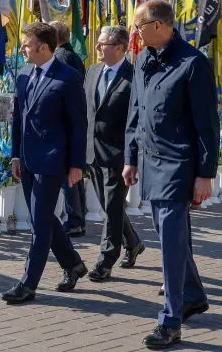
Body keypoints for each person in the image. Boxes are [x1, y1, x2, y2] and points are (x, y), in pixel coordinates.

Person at [124, 0, 219, 349]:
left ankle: (170, 320)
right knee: (172, 238)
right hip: (150, 163)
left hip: (179, 165)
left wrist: (205, 174)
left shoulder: (193, 63)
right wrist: (130, 158)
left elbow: (207, 125)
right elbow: (136, 112)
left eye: (139, 26)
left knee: (168, 243)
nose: (134, 32)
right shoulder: (144, 59)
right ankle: (192, 294)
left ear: (160, 25)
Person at [2, 22, 87, 304]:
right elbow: (18, 118)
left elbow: (78, 125)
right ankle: (73, 263)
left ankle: (28, 284)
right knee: (45, 217)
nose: (22, 47)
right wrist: (16, 154)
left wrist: (76, 165)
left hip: (53, 161)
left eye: (27, 43)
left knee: (38, 224)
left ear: (43, 47)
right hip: (27, 160)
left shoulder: (68, 77)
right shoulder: (25, 74)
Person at [83, 25, 144, 282]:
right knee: (111, 207)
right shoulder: (93, 71)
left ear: (119, 48)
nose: (97, 48)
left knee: (112, 206)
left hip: (119, 155)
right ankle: (133, 242)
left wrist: (132, 157)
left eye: (103, 44)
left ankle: (106, 259)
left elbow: (137, 119)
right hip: (91, 152)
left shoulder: (134, 77)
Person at [49, 20, 87, 237]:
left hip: (64, 123)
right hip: (71, 121)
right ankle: (78, 216)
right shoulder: (71, 55)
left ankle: (74, 219)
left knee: (68, 176)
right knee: (74, 175)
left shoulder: (62, 58)